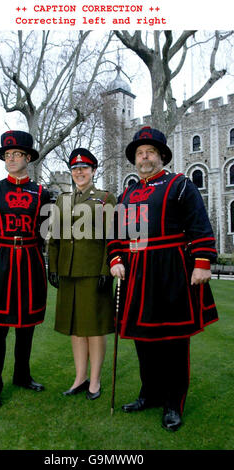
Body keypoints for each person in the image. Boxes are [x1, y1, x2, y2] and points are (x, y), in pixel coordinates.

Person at [108, 126, 218, 431]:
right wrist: (115, 259)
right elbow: (116, 236)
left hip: (172, 271)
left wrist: (202, 262)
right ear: (135, 159)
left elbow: (200, 225)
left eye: (150, 152)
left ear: (161, 156)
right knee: (144, 341)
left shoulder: (181, 186)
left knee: (173, 342)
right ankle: (150, 394)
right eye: (140, 153)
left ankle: (173, 404)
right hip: (138, 274)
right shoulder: (126, 195)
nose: (144, 158)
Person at [0, 130, 50, 409]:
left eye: (17, 154)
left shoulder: (43, 193)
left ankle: (22, 375)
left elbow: (45, 231)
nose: (12, 159)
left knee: (26, 325)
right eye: (8, 155)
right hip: (0, 260)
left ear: (28, 157)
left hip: (29, 260)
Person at [48, 148, 116, 400]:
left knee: (94, 329)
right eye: (75, 169)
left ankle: (95, 381)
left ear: (93, 171)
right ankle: (80, 378)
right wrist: (53, 267)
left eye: (84, 168)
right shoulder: (62, 200)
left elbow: (111, 238)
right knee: (75, 328)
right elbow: (53, 238)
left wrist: (105, 270)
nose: (79, 172)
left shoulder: (105, 198)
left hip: (92, 273)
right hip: (67, 272)